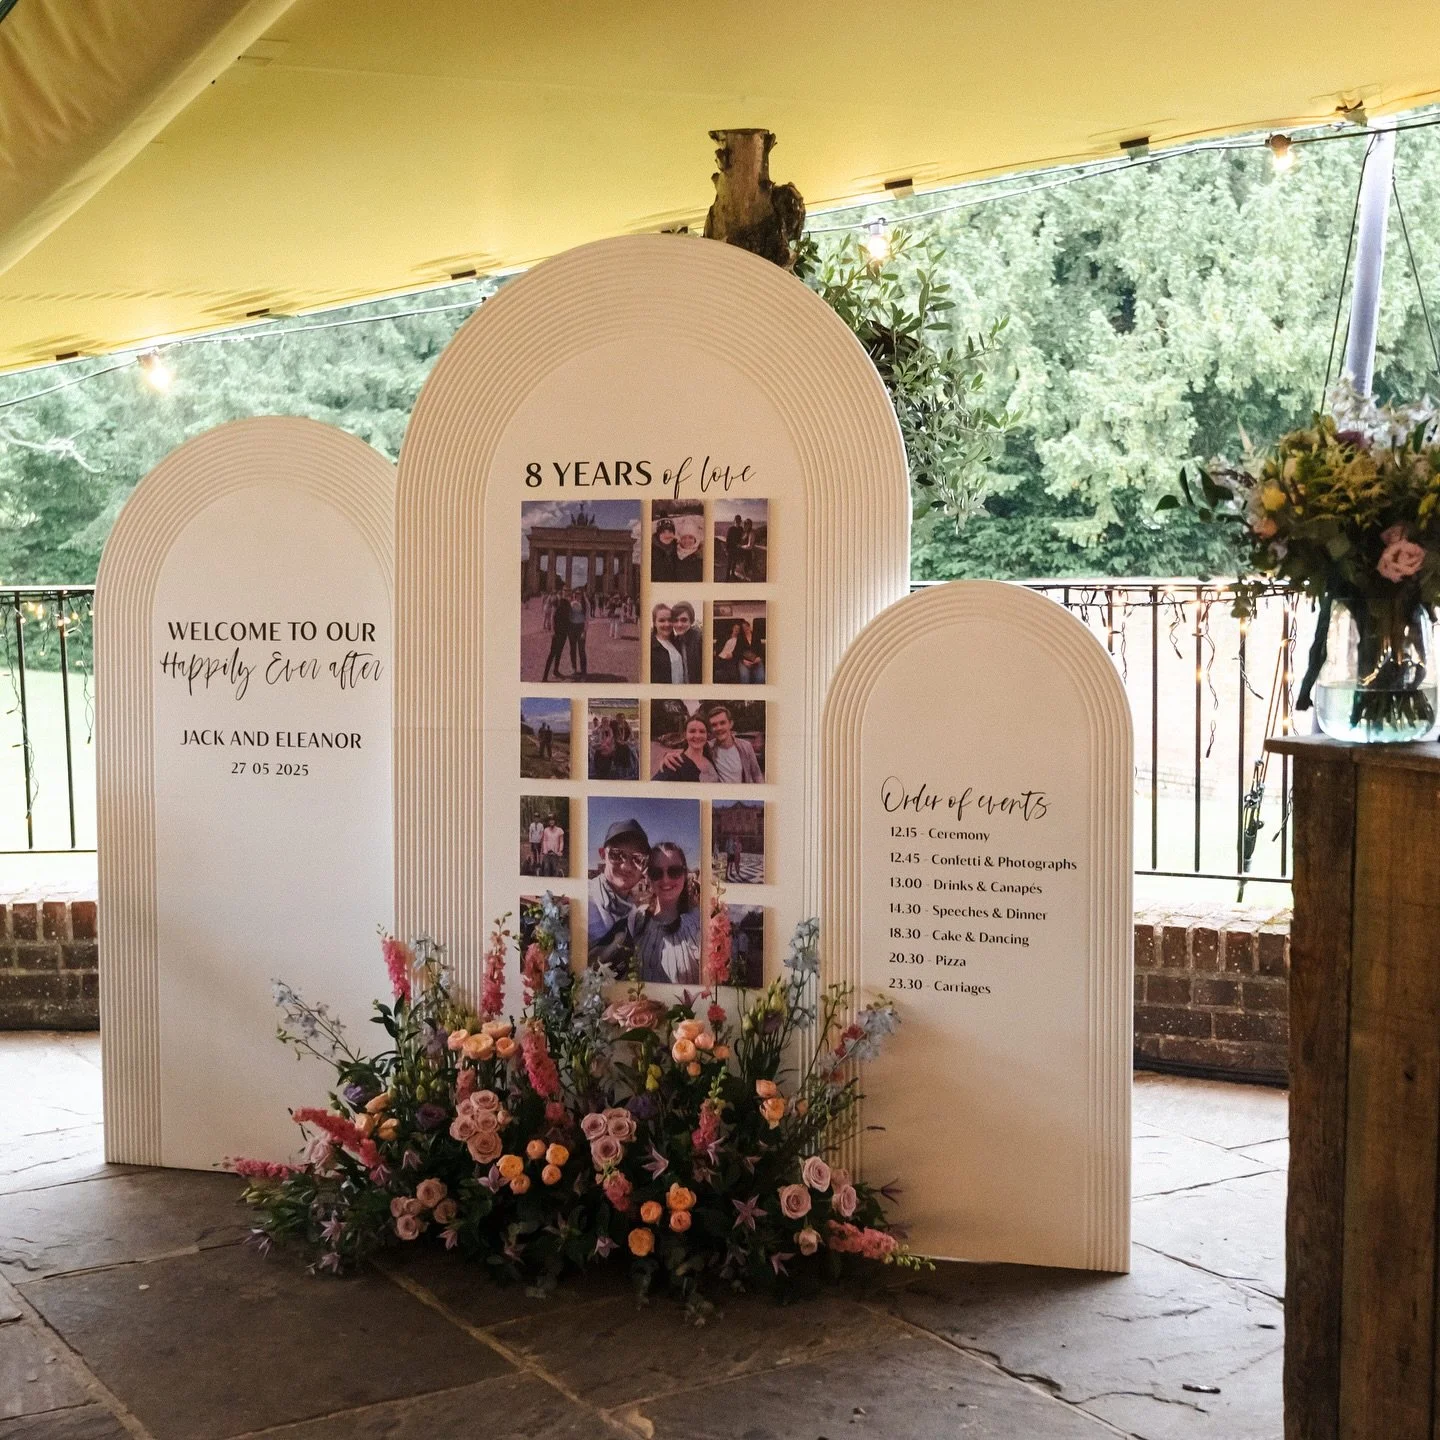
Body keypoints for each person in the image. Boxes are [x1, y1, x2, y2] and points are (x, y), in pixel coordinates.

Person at [634, 842, 702, 986]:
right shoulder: (637, 918)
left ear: (685, 874)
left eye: (674, 871)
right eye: (656, 873)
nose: (665, 879)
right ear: (649, 878)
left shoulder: (699, 922)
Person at [588, 817, 649, 973]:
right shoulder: (583, 900)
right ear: (602, 854)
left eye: (637, 859)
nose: (626, 866)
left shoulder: (634, 916)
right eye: (616, 854)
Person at [706, 704, 763, 783]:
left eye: (722, 723)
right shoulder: (708, 748)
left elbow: (757, 774)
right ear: (711, 729)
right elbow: (691, 744)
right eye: (714, 725)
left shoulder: (746, 746)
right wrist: (682, 751)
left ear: (731, 724)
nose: (719, 728)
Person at [654, 713, 718, 781]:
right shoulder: (675, 763)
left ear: (707, 735)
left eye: (702, 731)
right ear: (685, 735)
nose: (697, 736)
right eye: (692, 731)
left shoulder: (710, 754)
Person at [650, 604, 686, 684]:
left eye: (670, 620)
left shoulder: (677, 643)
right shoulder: (650, 648)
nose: (667, 624)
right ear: (655, 623)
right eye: (662, 620)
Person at [669, 602, 703, 682]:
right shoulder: (674, 642)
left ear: (691, 621)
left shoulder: (700, 639)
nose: (679, 624)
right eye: (675, 620)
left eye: (684, 620)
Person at [542, 588, 572, 681]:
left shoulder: (568, 603)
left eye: (568, 591)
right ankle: (545, 676)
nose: (566, 592)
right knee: (552, 653)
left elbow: (569, 616)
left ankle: (556, 671)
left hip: (564, 631)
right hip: (557, 631)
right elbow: (552, 616)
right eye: (564, 590)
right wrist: (553, 631)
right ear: (562, 591)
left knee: (559, 652)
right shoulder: (556, 601)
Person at [714, 618, 747, 684]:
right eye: (735, 628)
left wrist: (733, 655)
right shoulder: (725, 637)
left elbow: (740, 651)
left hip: (732, 659)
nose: (736, 630)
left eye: (738, 629)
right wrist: (716, 652)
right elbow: (718, 646)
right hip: (720, 656)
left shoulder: (740, 640)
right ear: (732, 628)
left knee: (732, 673)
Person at [652, 517, 682, 583]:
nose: (667, 535)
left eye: (670, 532)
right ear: (658, 534)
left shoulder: (679, 549)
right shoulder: (650, 551)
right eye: (663, 532)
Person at [567, 588, 588, 678]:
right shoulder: (571, 604)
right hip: (572, 628)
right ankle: (574, 668)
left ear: (582, 594)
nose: (577, 595)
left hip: (580, 628)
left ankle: (583, 670)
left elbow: (587, 619)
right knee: (572, 649)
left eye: (579, 593)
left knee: (581, 650)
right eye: (575, 593)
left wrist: (584, 631)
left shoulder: (585, 604)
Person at [723, 514, 745, 582]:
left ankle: (732, 574)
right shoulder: (731, 529)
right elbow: (728, 540)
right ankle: (727, 578)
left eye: (739, 521)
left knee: (734, 563)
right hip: (731, 549)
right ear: (734, 521)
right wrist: (726, 550)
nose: (738, 522)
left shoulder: (741, 529)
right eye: (736, 520)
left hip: (737, 549)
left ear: (740, 521)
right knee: (729, 564)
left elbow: (742, 537)